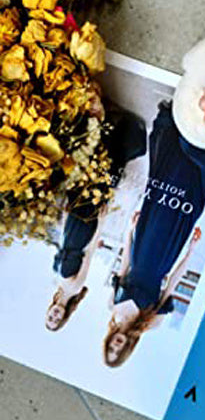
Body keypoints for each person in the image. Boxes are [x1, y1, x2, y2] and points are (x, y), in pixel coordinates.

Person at [103, 102, 205, 367]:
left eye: (111, 347)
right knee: (185, 192)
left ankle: (178, 123)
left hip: (141, 245)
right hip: (166, 253)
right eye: (118, 351)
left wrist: (130, 230)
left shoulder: (112, 305)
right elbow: (173, 283)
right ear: (126, 349)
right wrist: (191, 250)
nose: (116, 345)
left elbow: (124, 265)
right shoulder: (151, 323)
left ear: (108, 340)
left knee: (162, 185)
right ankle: (201, 134)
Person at [45, 104, 147, 332]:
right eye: (57, 319)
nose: (54, 315)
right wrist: (100, 224)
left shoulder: (57, 279)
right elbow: (88, 255)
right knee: (101, 181)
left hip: (71, 227)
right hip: (85, 230)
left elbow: (61, 244)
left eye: (50, 317)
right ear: (64, 316)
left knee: (87, 177)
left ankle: (105, 128)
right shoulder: (74, 287)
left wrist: (64, 218)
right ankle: (128, 134)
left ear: (48, 310)